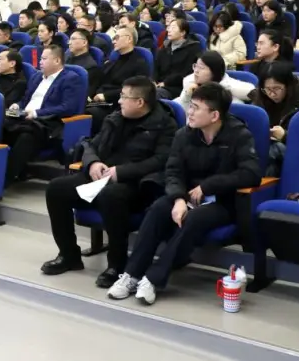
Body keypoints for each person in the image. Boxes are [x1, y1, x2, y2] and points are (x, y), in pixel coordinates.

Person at [106, 82, 260, 304]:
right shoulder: (184, 135)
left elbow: (251, 173)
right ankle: (132, 274)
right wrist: (178, 198)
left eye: (196, 108)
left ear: (215, 115)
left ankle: (153, 278)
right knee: (158, 209)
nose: (190, 112)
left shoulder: (239, 135)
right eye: (191, 106)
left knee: (194, 218)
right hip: (187, 196)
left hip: (222, 202)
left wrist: (207, 187)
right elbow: (173, 171)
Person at [42, 77, 178, 287]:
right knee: (56, 189)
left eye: (124, 96)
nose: (119, 100)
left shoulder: (165, 125)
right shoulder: (115, 117)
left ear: (140, 102)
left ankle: (117, 265)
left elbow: (161, 161)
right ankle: (69, 255)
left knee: (111, 196)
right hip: (100, 176)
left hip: (136, 184)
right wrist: (93, 163)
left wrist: (120, 172)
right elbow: (90, 145)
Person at [4, 45, 85, 182]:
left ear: (57, 61)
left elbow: (67, 108)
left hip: (47, 123)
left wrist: (36, 113)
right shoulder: (36, 77)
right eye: (41, 58)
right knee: (1, 127)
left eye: (44, 59)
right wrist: (17, 105)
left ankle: (6, 178)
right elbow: (25, 100)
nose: (40, 62)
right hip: (23, 118)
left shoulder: (70, 79)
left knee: (26, 136)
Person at [249, 62, 299, 176]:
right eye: (267, 89)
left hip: (295, 155)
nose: (272, 94)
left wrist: (285, 136)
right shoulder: (260, 99)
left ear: (288, 86)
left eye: (277, 88)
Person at [176, 51, 256, 111]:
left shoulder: (229, 98)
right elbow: (180, 111)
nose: (196, 71)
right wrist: (187, 96)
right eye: (195, 66)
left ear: (214, 71)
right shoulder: (191, 86)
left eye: (201, 68)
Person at [154, 18, 203, 99]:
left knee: (153, 95)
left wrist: (165, 83)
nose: (169, 30)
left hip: (178, 87)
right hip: (159, 85)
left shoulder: (193, 48)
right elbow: (155, 67)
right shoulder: (164, 47)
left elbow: (186, 72)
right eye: (169, 27)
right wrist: (154, 81)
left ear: (182, 32)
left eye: (173, 28)